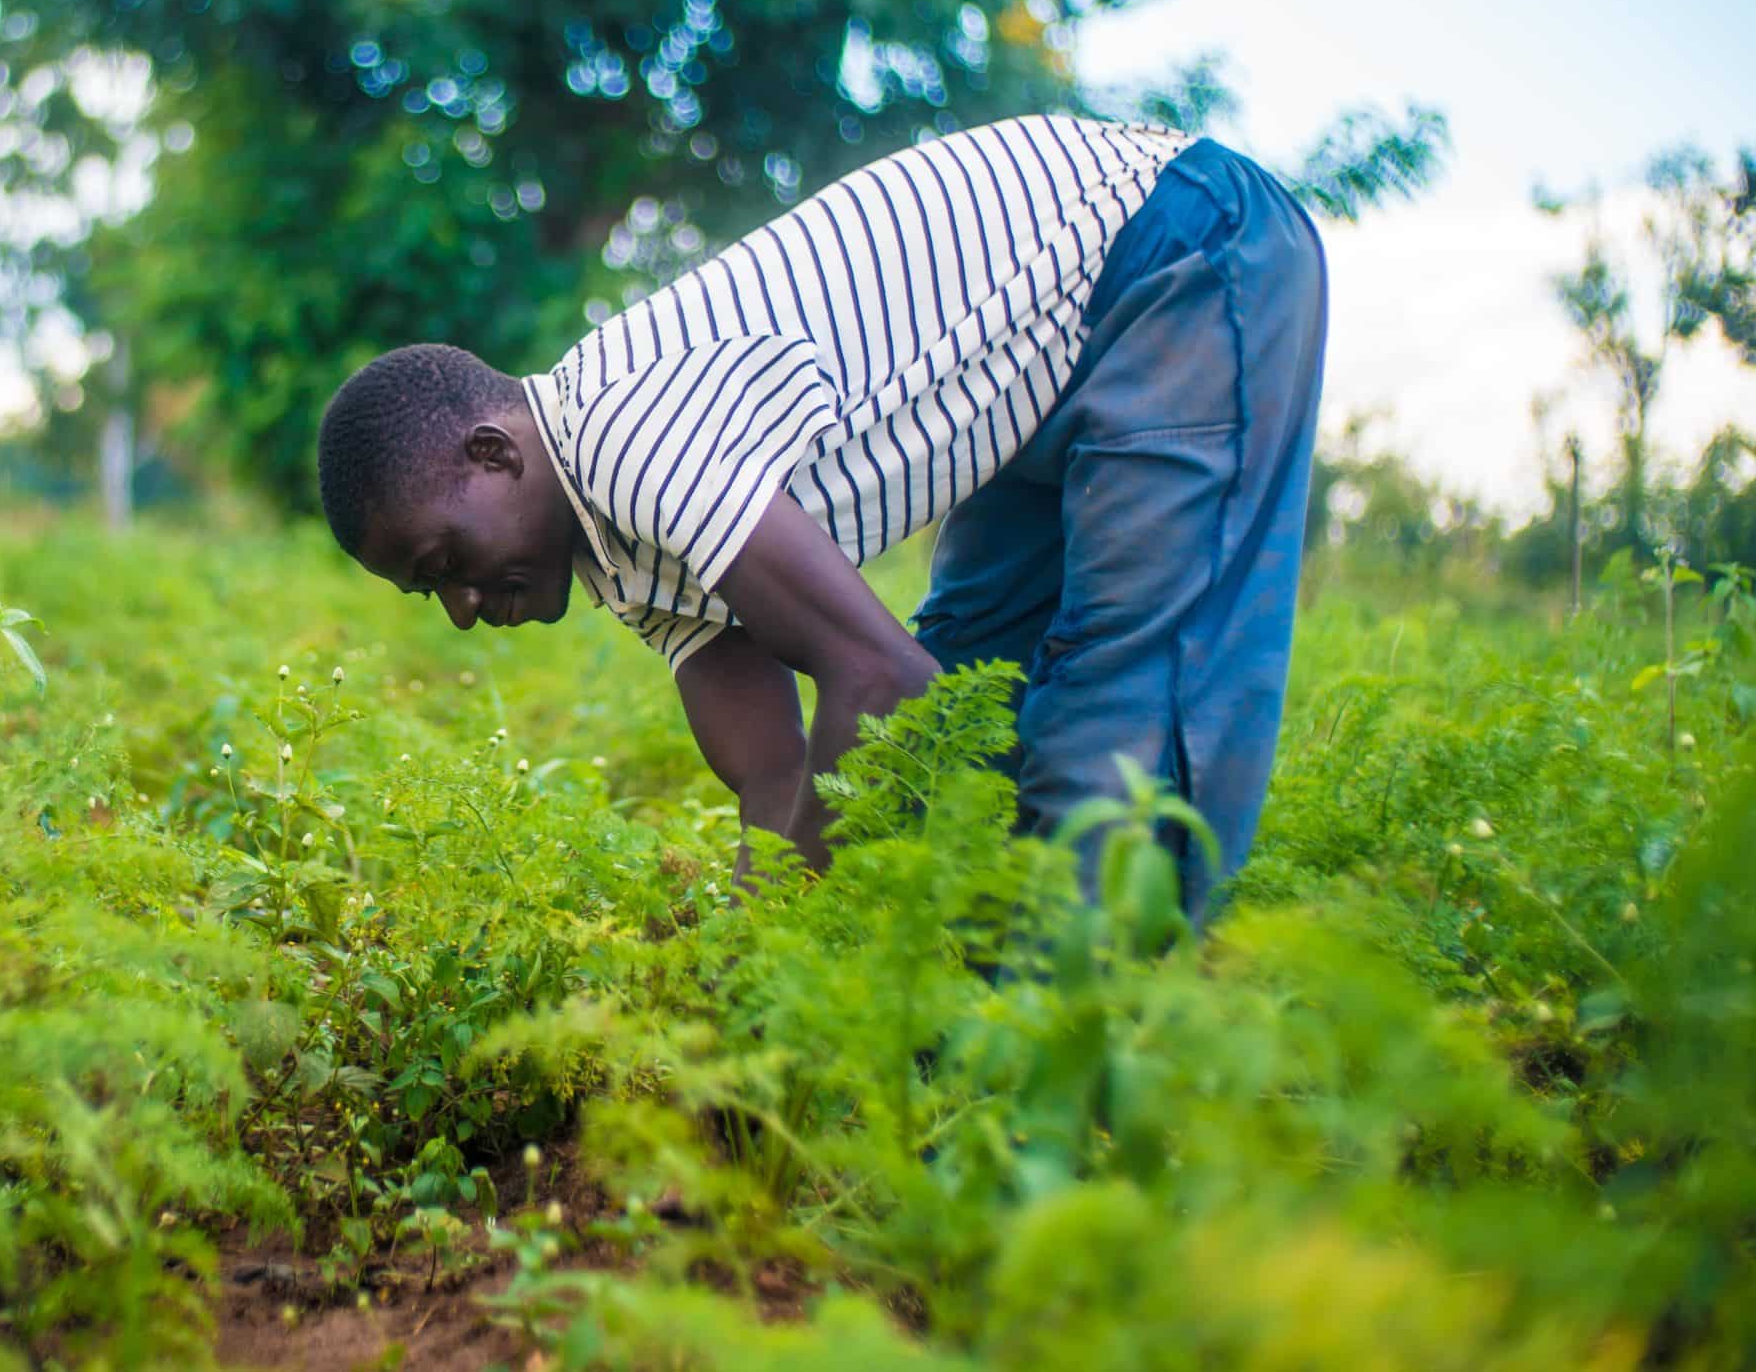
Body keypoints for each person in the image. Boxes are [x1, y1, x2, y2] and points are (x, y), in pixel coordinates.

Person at [315, 114, 1326, 917]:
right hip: (1036, 373)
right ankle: (967, 1061)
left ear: (496, 454)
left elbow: (881, 682)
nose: (457, 607)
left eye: (444, 558)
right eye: (428, 592)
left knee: (1122, 732)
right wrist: (755, 971)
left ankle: (1074, 1100)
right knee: (982, 708)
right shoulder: (620, 556)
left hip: (1166, 249)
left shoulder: (625, 435)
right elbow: (776, 780)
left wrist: (774, 969)